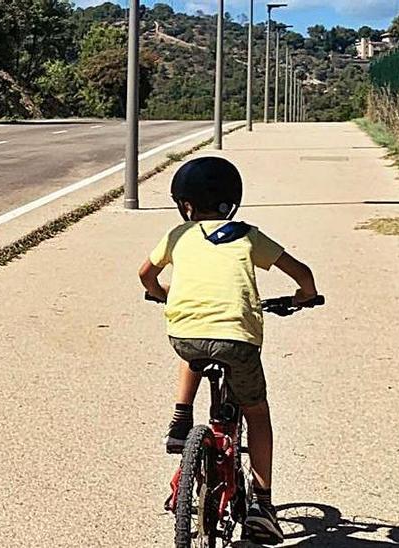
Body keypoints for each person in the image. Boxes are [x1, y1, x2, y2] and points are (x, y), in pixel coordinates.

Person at [138, 156, 317, 545]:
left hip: (184, 333)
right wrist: (305, 297)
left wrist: (162, 295)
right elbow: (302, 274)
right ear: (232, 202)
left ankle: (180, 420)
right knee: (256, 411)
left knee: (193, 351)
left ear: (185, 205)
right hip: (237, 339)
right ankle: (263, 505)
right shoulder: (248, 235)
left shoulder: (178, 236)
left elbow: (145, 275)